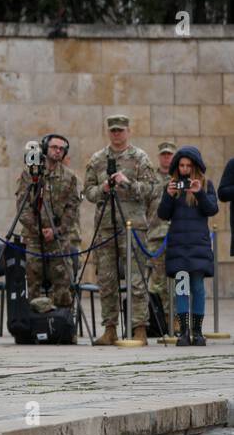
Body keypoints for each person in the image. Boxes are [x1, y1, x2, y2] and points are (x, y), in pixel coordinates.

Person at [83, 114, 153, 345]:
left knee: (136, 279)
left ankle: (139, 328)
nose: (117, 134)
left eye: (120, 130)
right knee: (106, 279)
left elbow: (151, 189)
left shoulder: (139, 157)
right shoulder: (97, 159)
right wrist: (103, 187)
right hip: (106, 227)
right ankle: (110, 328)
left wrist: (127, 183)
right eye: (113, 130)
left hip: (132, 227)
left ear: (128, 131)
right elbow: (88, 193)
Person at [13, 133, 79, 319]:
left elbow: (72, 209)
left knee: (63, 281)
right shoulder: (30, 174)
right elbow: (22, 207)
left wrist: (57, 231)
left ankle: (62, 323)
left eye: (61, 149)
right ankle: (33, 324)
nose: (57, 151)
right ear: (44, 148)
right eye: (54, 147)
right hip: (34, 238)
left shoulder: (69, 177)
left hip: (59, 239)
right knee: (32, 282)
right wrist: (38, 230)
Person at [158, 145, 217, 346]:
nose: (185, 169)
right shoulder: (172, 186)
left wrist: (199, 193)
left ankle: (197, 332)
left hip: (198, 246)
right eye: (182, 165)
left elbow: (212, 209)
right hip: (179, 247)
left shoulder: (206, 185)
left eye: (188, 166)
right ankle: (183, 332)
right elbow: (163, 214)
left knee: (198, 288)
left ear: (195, 167)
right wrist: (168, 195)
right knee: (181, 289)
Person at [146, 141, 177, 330]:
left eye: (170, 154)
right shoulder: (151, 178)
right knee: (158, 283)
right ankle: (163, 322)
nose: (167, 158)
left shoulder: (181, 178)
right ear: (159, 156)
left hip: (176, 236)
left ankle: (177, 319)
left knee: (177, 280)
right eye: (164, 154)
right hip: (156, 235)